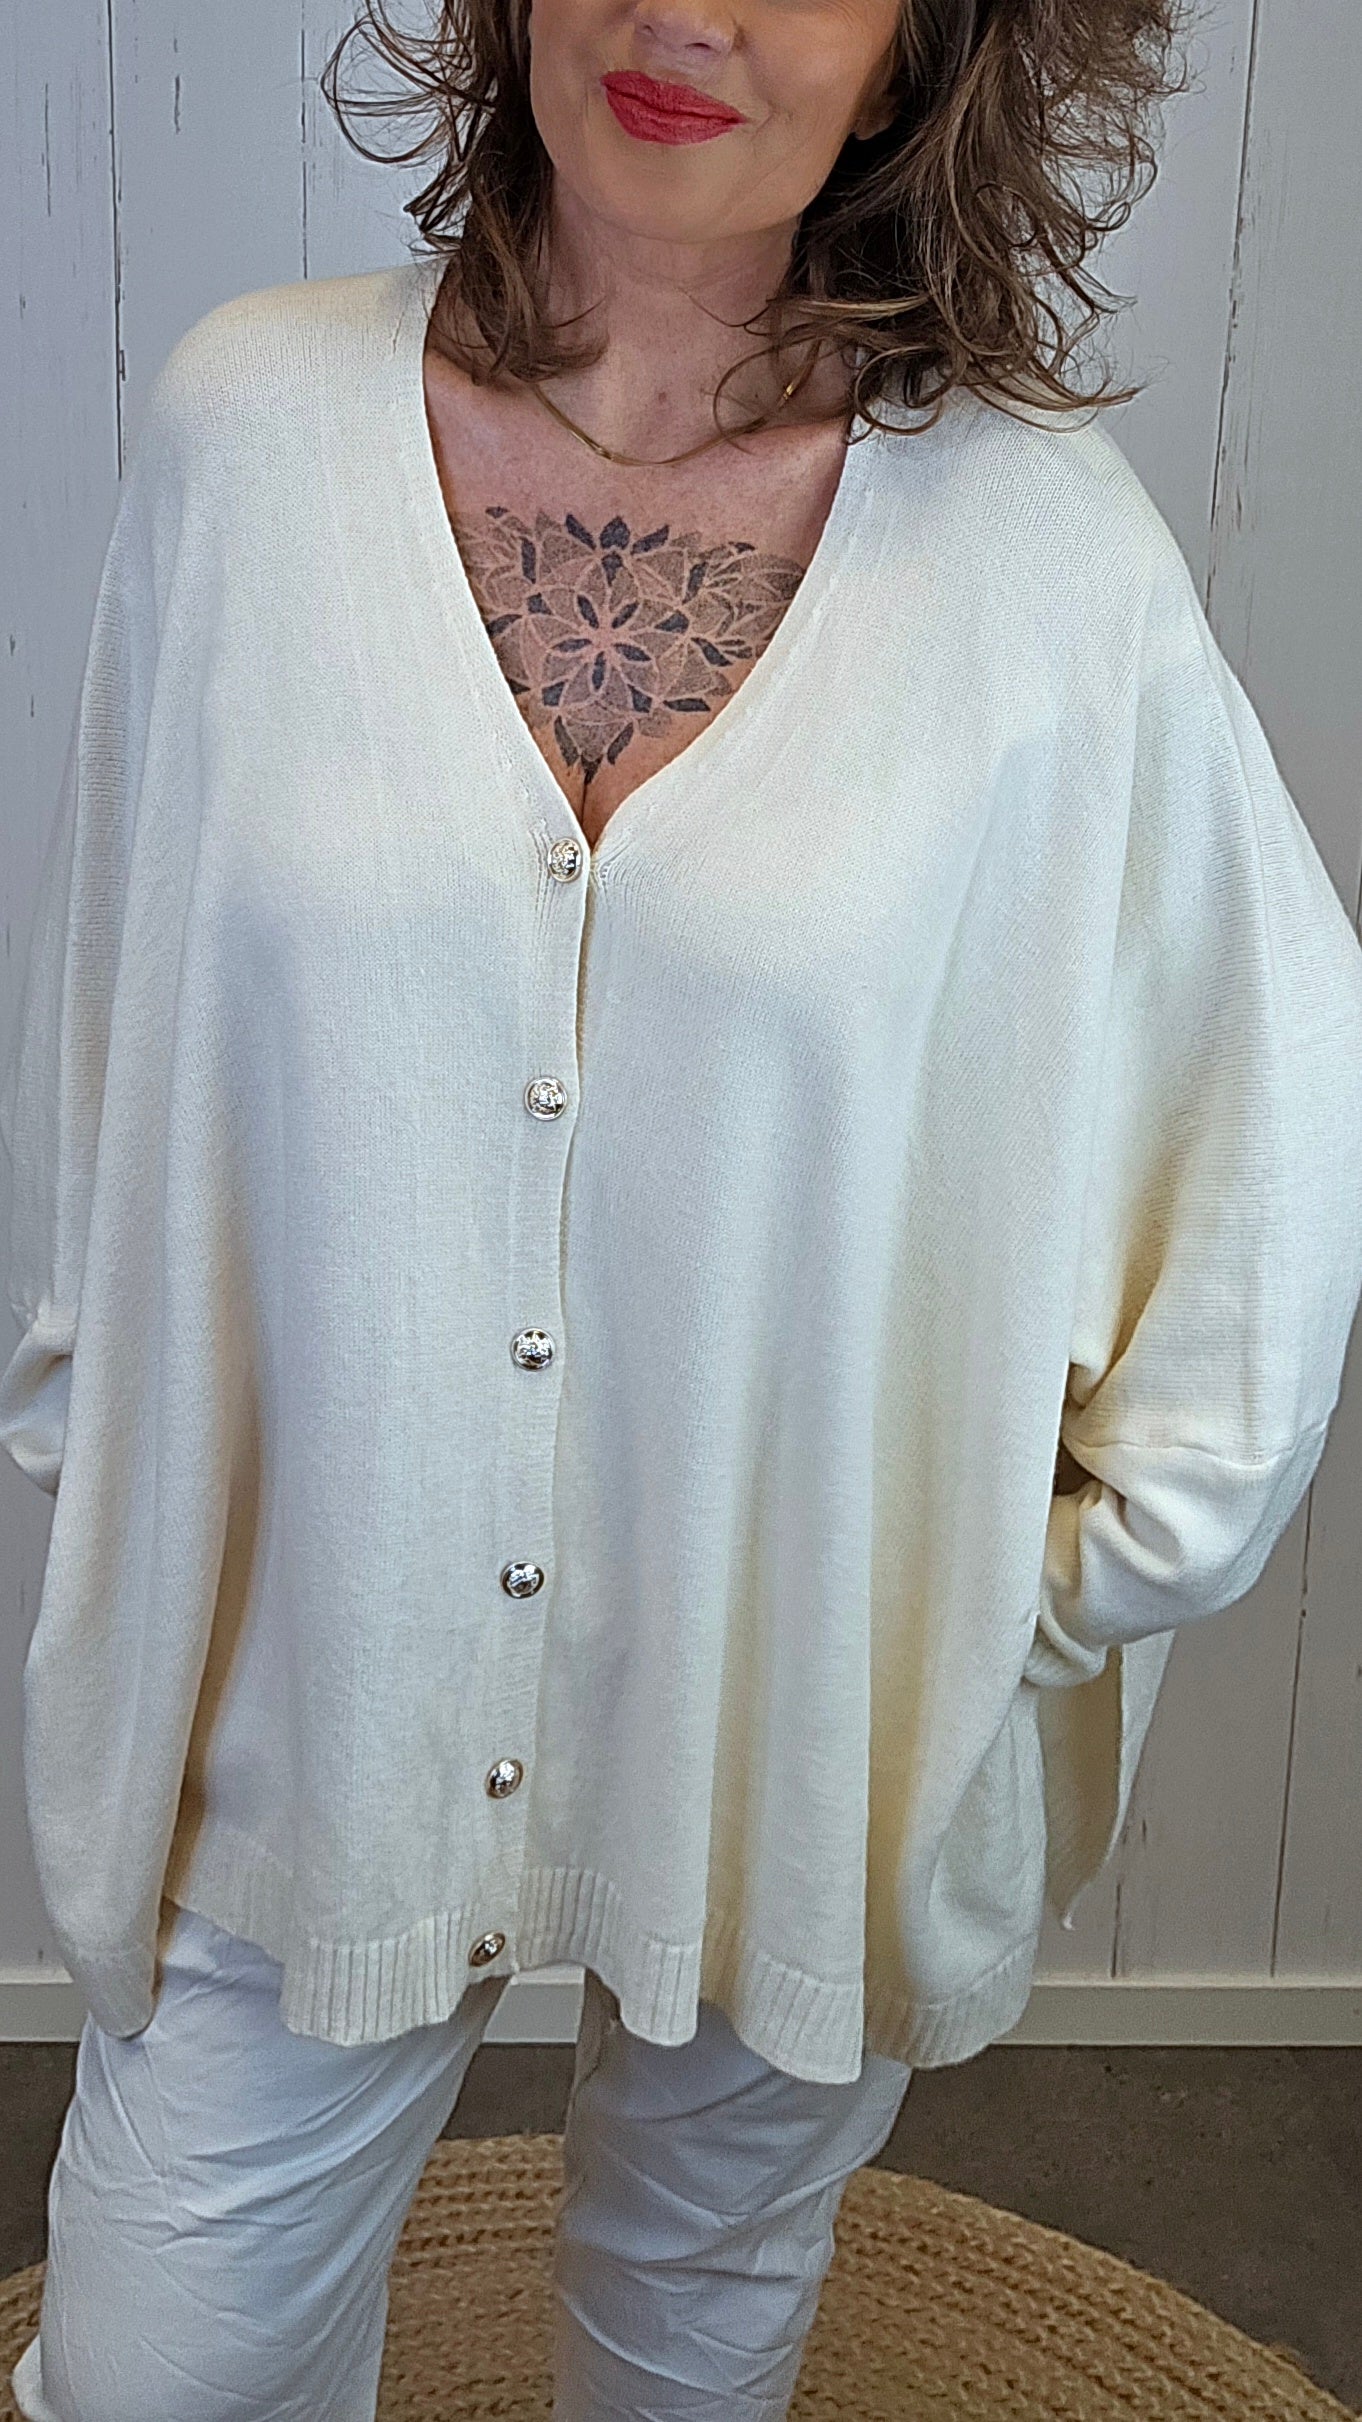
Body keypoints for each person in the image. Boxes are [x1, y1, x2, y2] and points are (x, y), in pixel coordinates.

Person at [7, 0, 1362, 2416]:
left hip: (804, 1695)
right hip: (315, 1666)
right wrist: (95, 1424)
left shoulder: (1050, 564)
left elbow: (1260, 1109)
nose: (685, 15)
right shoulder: (251, 430)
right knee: (155, 2367)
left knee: (692, 2323)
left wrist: (1036, 1590)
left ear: (931, 45)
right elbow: (120, 1012)